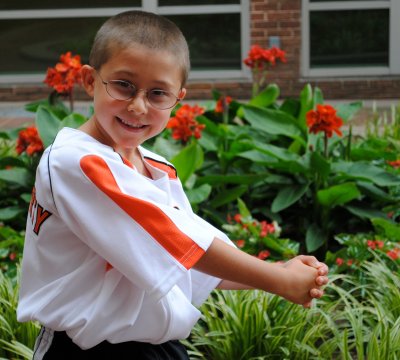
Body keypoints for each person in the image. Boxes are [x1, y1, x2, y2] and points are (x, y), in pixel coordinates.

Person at [17, 10, 329, 360]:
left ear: (178, 98)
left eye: (157, 94)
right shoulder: (76, 162)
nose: (138, 106)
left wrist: (277, 270)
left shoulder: (155, 167)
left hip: (155, 349)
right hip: (89, 351)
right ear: (90, 80)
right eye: (123, 85)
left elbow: (188, 256)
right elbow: (178, 244)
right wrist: (278, 280)